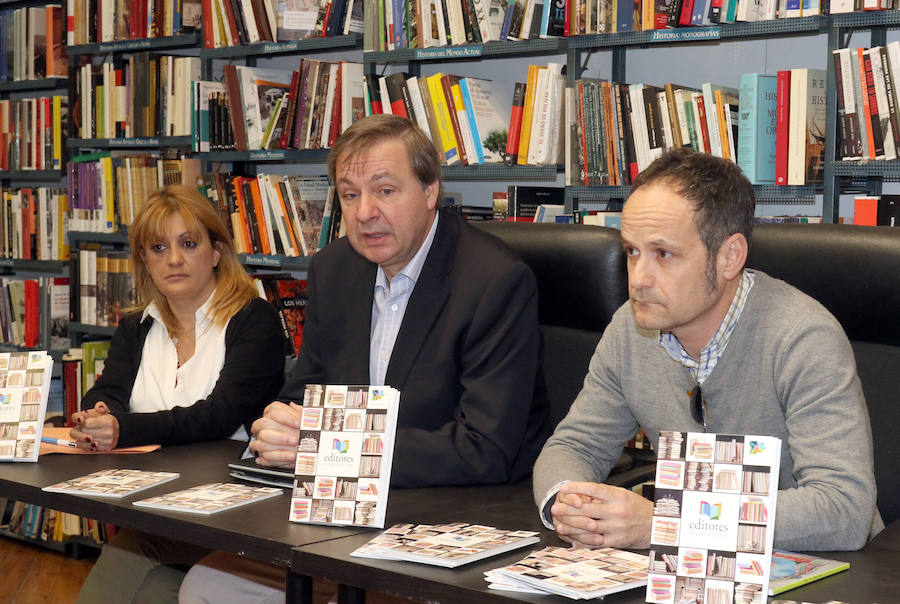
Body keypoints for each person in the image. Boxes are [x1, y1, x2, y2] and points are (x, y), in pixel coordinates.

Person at [178, 114, 548, 602]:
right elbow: (304, 392)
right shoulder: (334, 268)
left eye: (385, 191)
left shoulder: (494, 281)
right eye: (350, 195)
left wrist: (336, 446)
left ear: (431, 191)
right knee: (206, 587)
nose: (365, 212)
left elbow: (484, 448)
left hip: (454, 520)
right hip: (339, 515)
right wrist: (280, 426)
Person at [533, 147, 882, 552]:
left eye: (663, 254)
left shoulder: (803, 337)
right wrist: (570, 503)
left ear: (729, 256)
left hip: (818, 569)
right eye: (632, 252)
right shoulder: (631, 327)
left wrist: (665, 524)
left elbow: (842, 510)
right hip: (691, 570)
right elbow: (575, 446)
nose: (639, 279)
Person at [74, 185, 286, 604]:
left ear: (216, 251)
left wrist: (122, 428)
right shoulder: (136, 326)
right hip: (151, 502)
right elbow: (108, 392)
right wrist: (97, 415)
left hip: (236, 511)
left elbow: (219, 415)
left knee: (127, 568)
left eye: (188, 244)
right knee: (146, 585)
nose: (173, 259)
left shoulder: (254, 319)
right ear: (145, 262)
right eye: (158, 247)